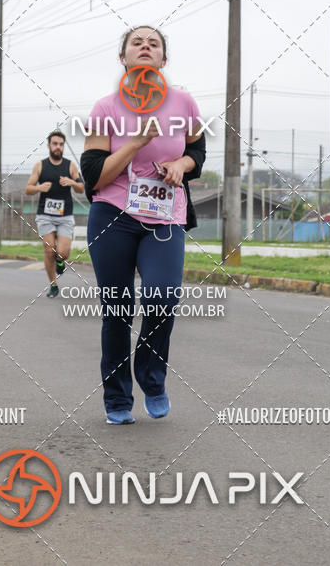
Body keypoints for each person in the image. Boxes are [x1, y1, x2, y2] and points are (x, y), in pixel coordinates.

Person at [81, 25, 205, 425]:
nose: (146, 47)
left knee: (162, 297)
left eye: (154, 43)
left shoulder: (183, 102)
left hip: (165, 216)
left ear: (163, 59)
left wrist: (181, 164)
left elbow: (197, 150)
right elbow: (94, 176)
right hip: (113, 214)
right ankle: (117, 398)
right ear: (124, 58)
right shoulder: (105, 108)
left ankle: (152, 379)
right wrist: (134, 142)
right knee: (117, 310)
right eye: (137, 43)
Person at [25, 131, 84, 298]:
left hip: (65, 215)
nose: (58, 147)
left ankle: (60, 261)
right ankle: (53, 285)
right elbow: (28, 189)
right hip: (45, 214)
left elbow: (81, 188)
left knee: (63, 253)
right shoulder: (40, 166)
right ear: (49, 145)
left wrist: (73, 182)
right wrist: (39, 187)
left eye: (60, 144)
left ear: (63, 146)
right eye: (55, 144)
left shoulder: (70, 165)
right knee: (49, 249)